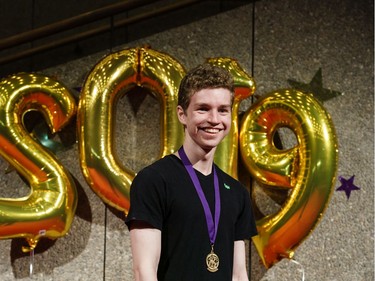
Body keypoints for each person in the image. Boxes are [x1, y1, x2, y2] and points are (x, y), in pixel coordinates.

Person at [125, 63, 257, 281]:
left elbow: (238, 274)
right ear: (182, 115)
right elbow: (144, 271)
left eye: (222, 110)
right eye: (203, 108)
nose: (214, 119)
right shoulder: (154, 180)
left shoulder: (237, 193)